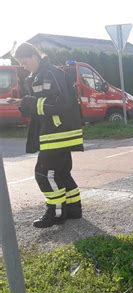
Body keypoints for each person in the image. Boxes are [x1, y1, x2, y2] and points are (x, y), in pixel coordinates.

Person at [13, 42, 84, 228]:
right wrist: (27, 105)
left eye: (24, 61)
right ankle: (74, 209)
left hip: (57, 133)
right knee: (61, 173)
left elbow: (62, 103)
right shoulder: (37, 75)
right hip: (56, 132)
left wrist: (31, 103)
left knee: (43, 173)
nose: (23, 66)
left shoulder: (51, 73)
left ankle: (56, 212)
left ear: (34, 56)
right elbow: (43, 105)